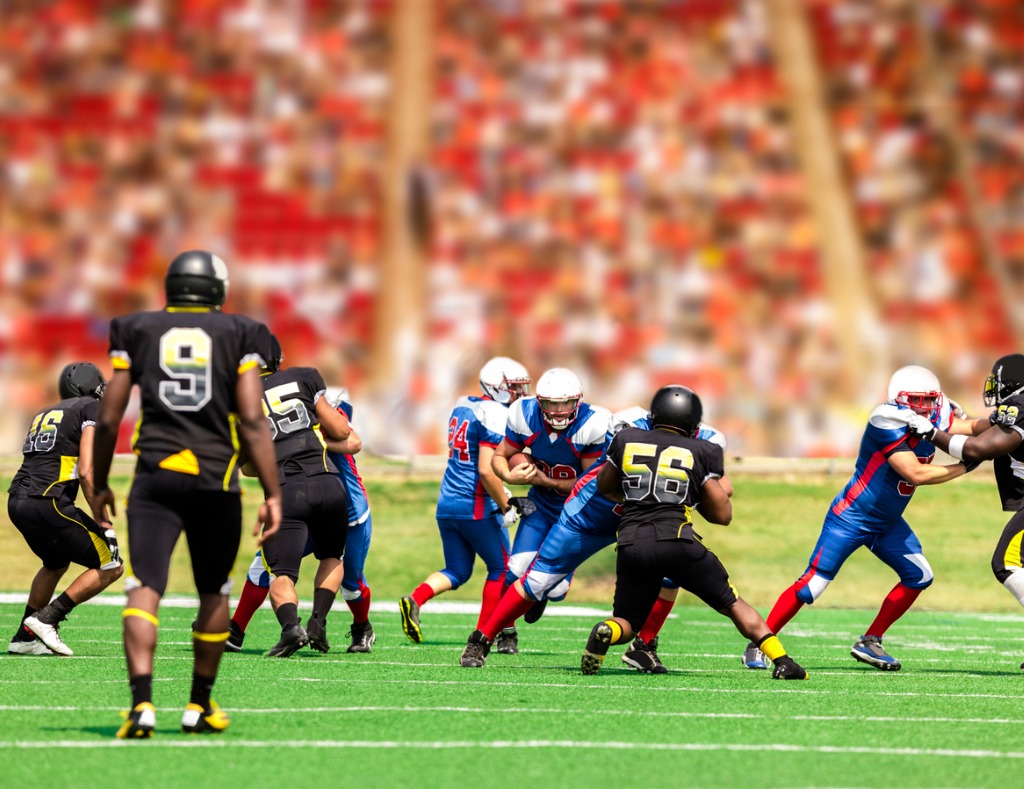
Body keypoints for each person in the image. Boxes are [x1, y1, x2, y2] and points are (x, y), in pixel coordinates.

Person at [90, 250, 282, 739]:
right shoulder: (241, 331)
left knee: (144, 587)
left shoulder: (135, 327)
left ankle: (141, 706)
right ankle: (198, 705)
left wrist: (99, 481)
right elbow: (253, 418)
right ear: (217, 288)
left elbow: (110, 416)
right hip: (214, 477)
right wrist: (274, 492)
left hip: (154, 474)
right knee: (213, 589)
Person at [459, 402, 731, 672]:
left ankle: (643, 647)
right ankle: (482, 639)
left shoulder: (707, 439)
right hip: (591, 516)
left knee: (670, 576)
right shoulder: (628, 426)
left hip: (644, 523)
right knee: (537, 581)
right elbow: (619, 481)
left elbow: (724, 488)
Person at [750, 365, 975, 673]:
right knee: (812, 585)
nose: (925, 407)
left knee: (919, 575)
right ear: (899, 400)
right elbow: (915, 473)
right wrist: (965, 467)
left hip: (887, 522)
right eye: (917, 400)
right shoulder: (886, 420)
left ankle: (870, 640)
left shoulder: (937, 414)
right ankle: (759, 642)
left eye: (929, 400)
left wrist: (1007, 423)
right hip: (852, 517)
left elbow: (970, 427)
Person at [583, 384, 808, 680]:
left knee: (626, 622)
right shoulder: (702, 449)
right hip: (676, 540)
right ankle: (783, 661)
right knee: (731, 602)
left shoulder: (626, 439)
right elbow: (722, 515)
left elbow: (605, 486)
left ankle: (606, 631)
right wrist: (693, 492)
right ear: (693, 423)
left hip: (631, 541)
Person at [459, 367, 610, 664]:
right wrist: (511, 476)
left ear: (577, 401)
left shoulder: (593, 424)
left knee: (556, 591)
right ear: (540, 401)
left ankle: (540, 595)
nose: (558, 410)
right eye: (551, 403)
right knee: (514, 571)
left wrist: (546, 481)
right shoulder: (523, 414)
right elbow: (499, 457)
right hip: (540, 506)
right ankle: (496, 634)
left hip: (575, 511)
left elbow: (590, 482)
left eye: (564, 403)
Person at [228, 386, 376, 653]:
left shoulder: (330, 416)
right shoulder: (290, 422)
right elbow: (252, 468)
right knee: (264, 566)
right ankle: (235, 631)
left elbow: (354, 442)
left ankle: (361, 626)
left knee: (351, 583)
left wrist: (311, 438)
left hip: (349, 513)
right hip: (304, 505)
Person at [399, 357, 532, 645]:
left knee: (458, 570)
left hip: (447, 502)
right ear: (496, 387)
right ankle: (486, 633)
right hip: (475, 504)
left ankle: (415, 599)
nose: (520, 394)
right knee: (502, 569)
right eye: (514, 388)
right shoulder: (493, 413)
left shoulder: (464, 404)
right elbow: (485, 468)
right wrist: (506, 504)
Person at [908, 354, 1024, 668]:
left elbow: (979, 449)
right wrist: (954, 423)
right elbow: (984, 431)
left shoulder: (1021, 405)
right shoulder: (1015, 409)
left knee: (1006, 563)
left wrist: (931, 434)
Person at [243, 334, 352, 658]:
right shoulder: (304, 377)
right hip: (329, 481)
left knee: (282, 574)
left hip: (287, 490)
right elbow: (343, 431)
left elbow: (247, 467)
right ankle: (318, 621)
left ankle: (291, 628)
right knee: (332, 556)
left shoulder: (239, 398)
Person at [10, 362, 125, 656]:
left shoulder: (44, 412)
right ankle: (47, 619)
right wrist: (106, 523)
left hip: (18, 499)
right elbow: (87, 471)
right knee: (111, 564)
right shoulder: (89, 407)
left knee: (56, 562)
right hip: (47, 500)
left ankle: (25, 636)